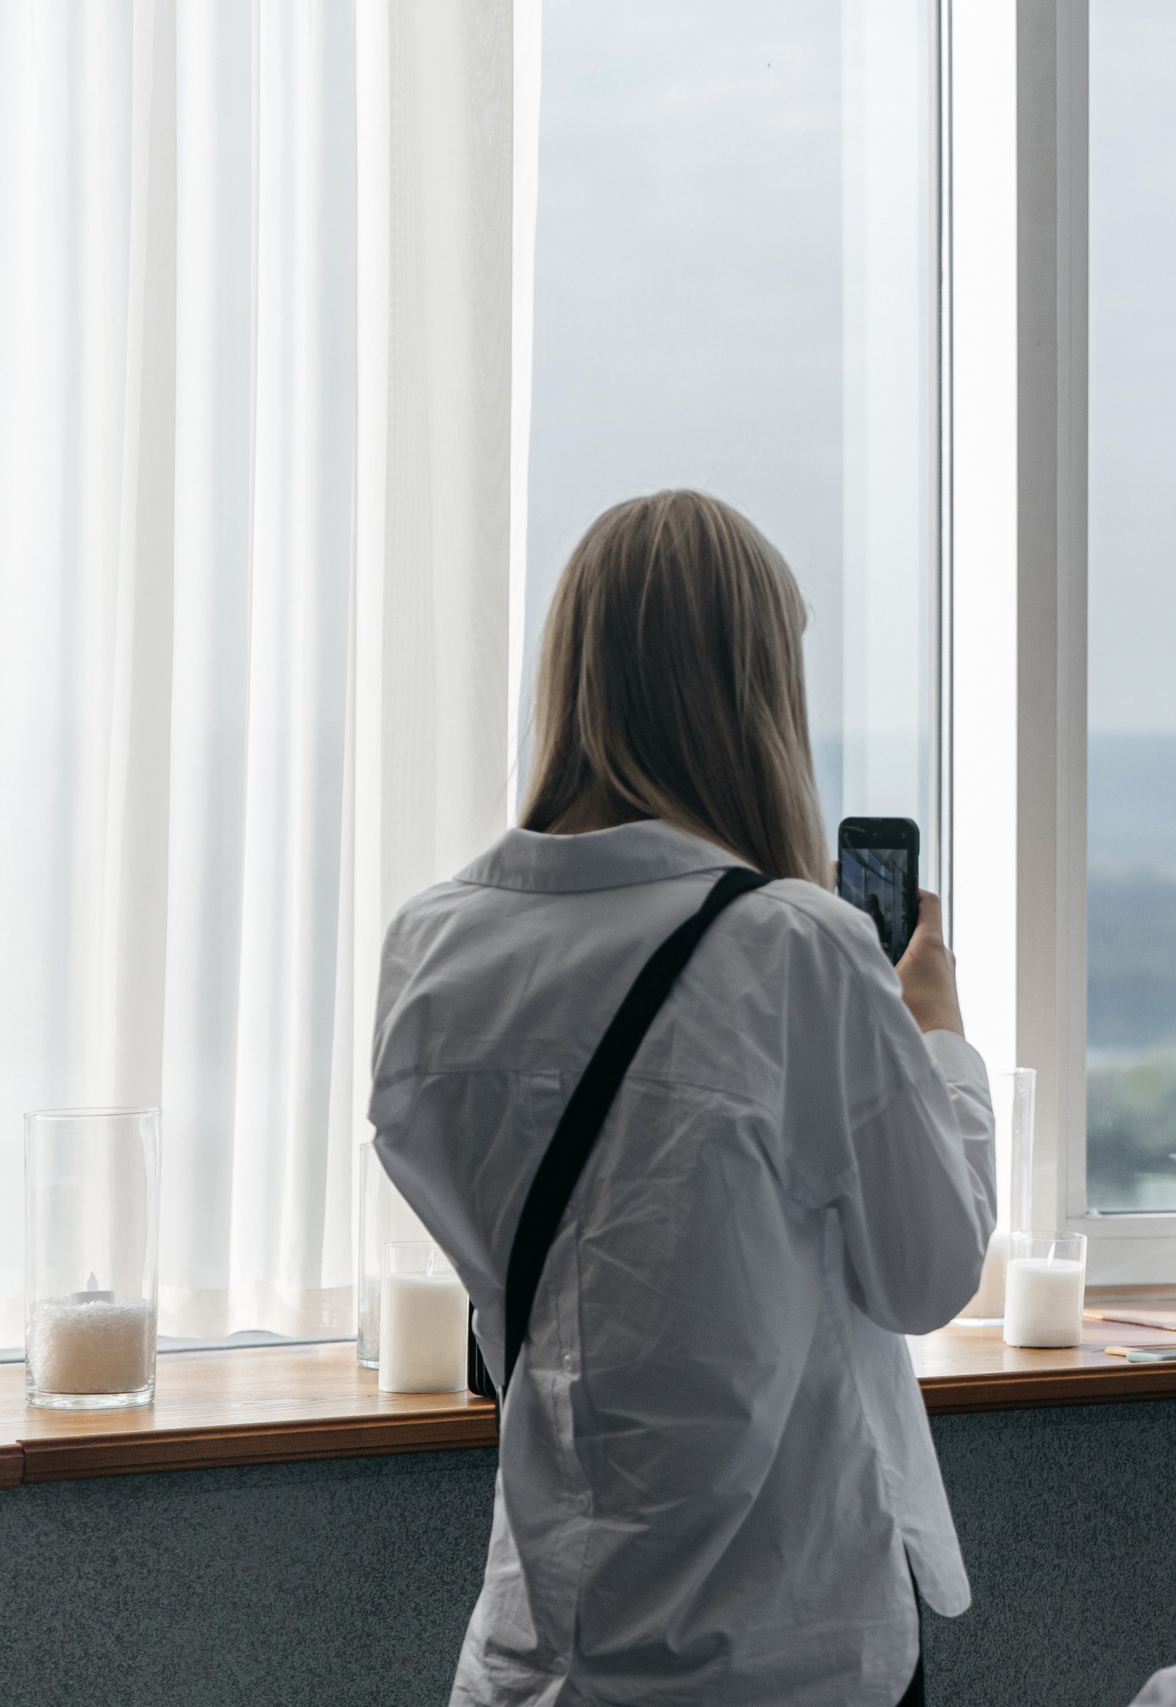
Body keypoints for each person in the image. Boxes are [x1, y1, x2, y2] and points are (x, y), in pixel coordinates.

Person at [369, 490, 993, 1707]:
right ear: (753, 698)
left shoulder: (431, 946)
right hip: (774, 1649)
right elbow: (929, 1273)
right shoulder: (797, 949)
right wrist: (938, 1042)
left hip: (535, 1653)